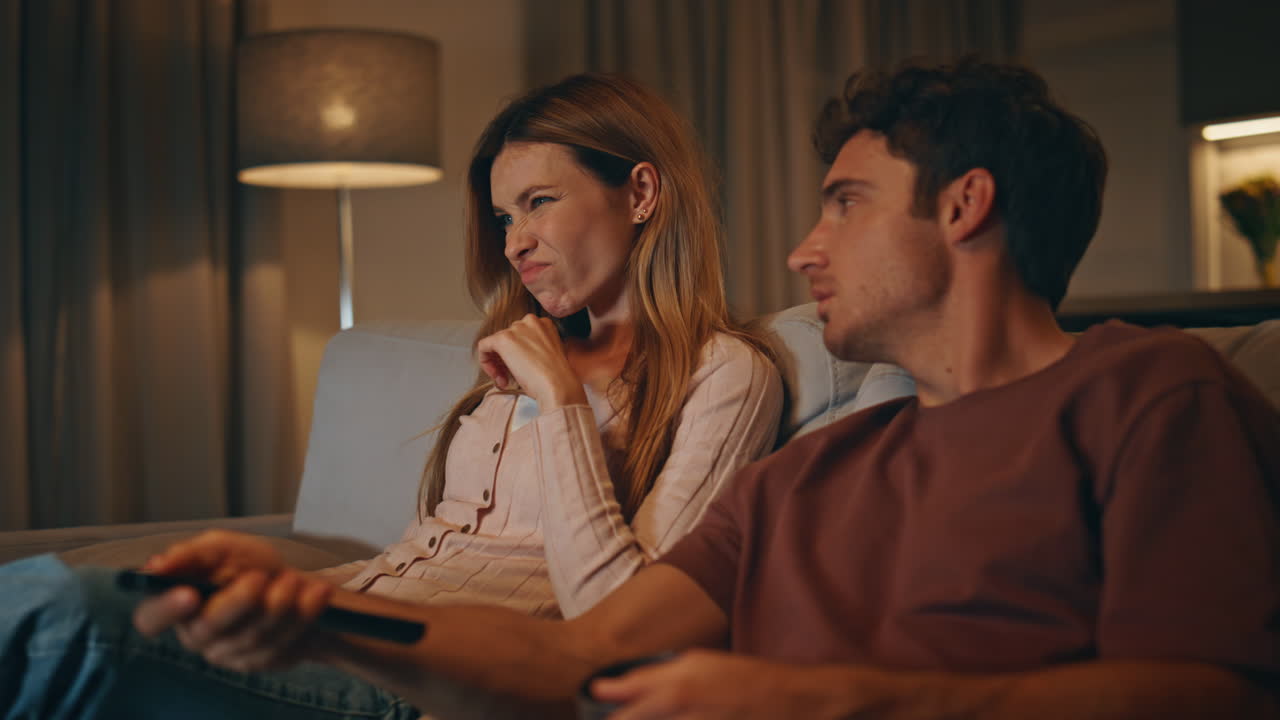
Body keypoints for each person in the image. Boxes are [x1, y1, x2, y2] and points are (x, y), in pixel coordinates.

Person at [132, 58, 1280, 718]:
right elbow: (579, 656)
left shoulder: (1146, 392)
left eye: (843, 201)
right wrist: (316, 619)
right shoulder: (808, 478)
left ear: (962, 206)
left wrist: (821, 703)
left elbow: (1203, 694)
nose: (801, 250)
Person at [0, 73, 786, 719]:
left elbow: (621, 625)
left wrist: (561, 401)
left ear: (641, 192)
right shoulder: (519, 357)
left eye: (540, 202)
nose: (513, 242)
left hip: (434, 690)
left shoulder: (723, 373)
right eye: (505, 215)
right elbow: (413, 563)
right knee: (57, 589)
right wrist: (277, 596)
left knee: (60, 616)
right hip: (345, 637)